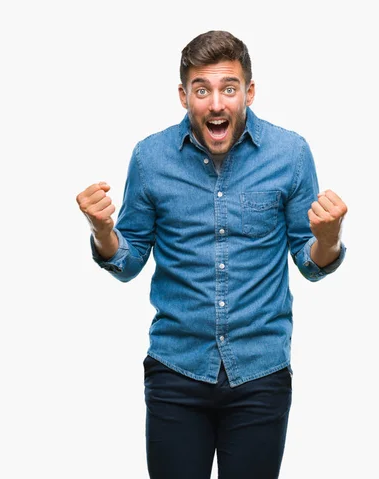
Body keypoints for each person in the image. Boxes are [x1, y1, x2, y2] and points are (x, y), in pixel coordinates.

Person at [76, 30, 347, 479]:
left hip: (261, 373)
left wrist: (328, 237)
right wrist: (103, 231)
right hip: (175, 371)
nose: (216, 103)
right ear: (184, 96)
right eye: (202, 89)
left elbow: (310, 262)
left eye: (229, 88)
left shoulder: (291, 154)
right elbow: (127, 261)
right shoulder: (149, 158)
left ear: (249, 93)